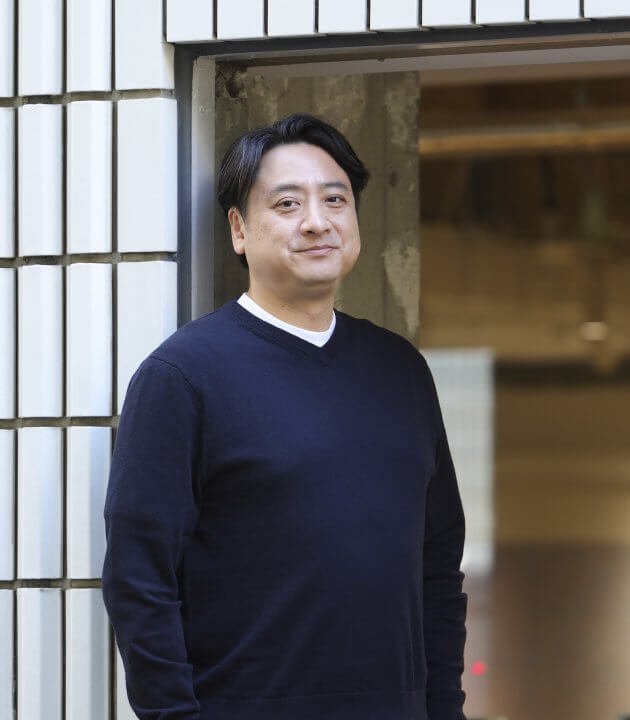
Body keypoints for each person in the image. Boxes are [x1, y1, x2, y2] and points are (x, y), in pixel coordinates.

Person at [102, 113, 467, 720]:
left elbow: (438, 565)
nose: (317, 221)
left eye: (335, 199)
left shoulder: (401, 370)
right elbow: (139, 580)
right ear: (239, 229)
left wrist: (444, 710)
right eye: (288, 203)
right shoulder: (183, 376)